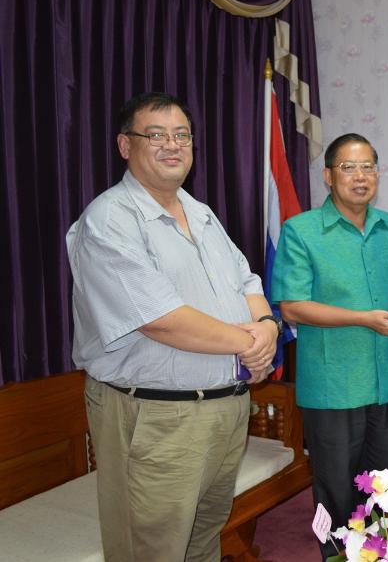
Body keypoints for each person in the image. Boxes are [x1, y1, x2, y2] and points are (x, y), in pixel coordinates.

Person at [67, 92, 280, 561]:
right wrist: (253, 343)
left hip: (224, 409)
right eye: (156, 135)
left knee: (202, 542)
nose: (172, 145)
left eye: (182, 135)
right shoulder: (110, 220)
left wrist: (266, 325)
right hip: (156, 416)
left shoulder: (200, 212)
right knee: (152, 550)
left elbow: (247, 281)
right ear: (126, 145)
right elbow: (159, 320)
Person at [271, 133, 388, 558]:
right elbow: (292, 307)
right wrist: (363, 318)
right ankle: (334, 556)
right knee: (335, 492)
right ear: (329, 176)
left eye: (368, 167)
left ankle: (382, 556)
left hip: (385, 381)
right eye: (348, 167)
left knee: (384, 488)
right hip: (333, 388)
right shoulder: (301, 230)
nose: (360, 176)